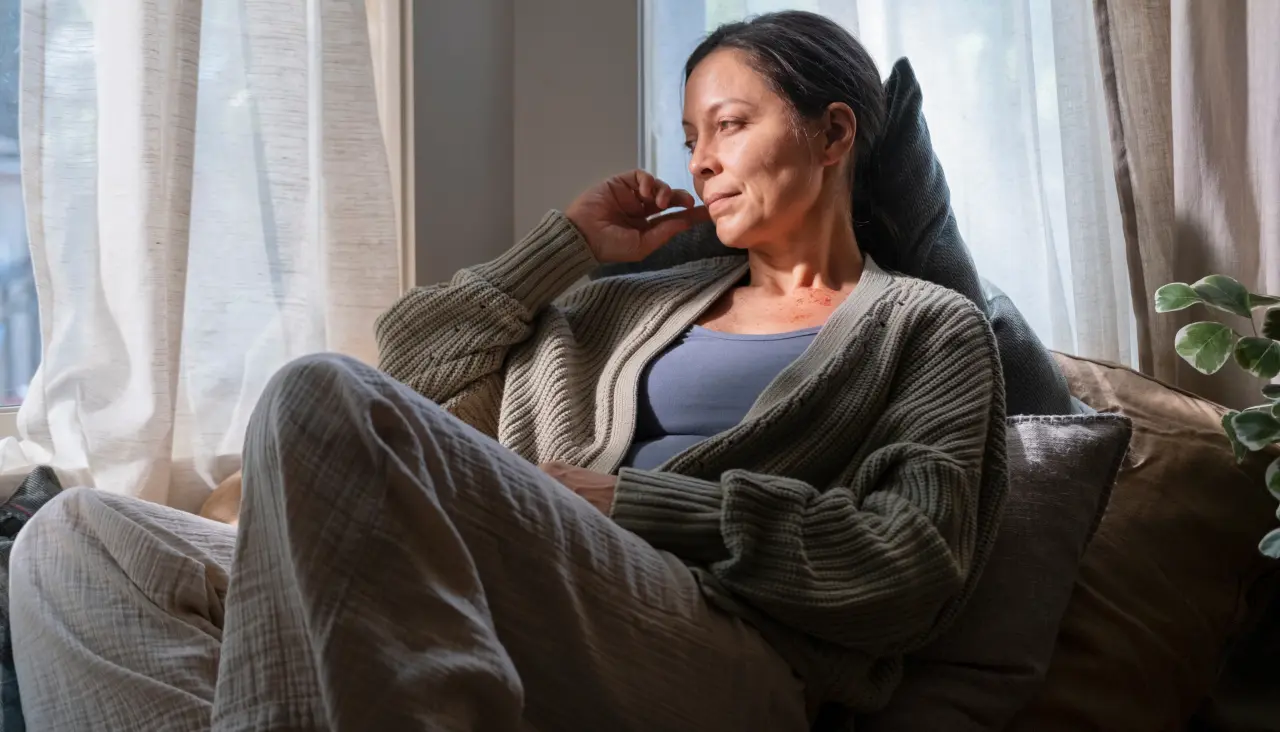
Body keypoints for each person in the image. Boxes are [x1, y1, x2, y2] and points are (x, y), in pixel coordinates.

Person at [10, 10, 1007, 732]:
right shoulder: (622, 303)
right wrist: (566, 246)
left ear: (833, 133)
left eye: (732, 124)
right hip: (506, 594)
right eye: (690, 135)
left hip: (724, 649)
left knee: (319, 394)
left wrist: (628, 503)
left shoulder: (924, 329)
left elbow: (909, 563)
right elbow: (415, 361)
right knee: (74, 543)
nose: (702, 159)